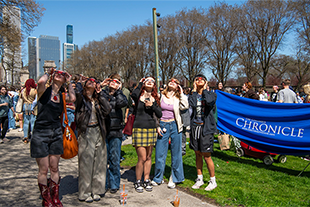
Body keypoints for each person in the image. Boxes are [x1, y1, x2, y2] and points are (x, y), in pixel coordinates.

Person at [30, 69, 75, 207]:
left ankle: (55, 197)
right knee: (43, 169)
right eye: (57, 73)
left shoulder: (62, 95)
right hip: (41, 132)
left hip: (56, 132)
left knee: (54, 168)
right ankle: (46, 199)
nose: (59, 74)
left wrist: (70, 82)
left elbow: (72, 98)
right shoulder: (44, 91)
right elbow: (40, 81)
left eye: (62, 74)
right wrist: (48, 73)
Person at [75, 77, 111, 202]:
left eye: (93, 81)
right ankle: (85, 192)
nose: (91, 81)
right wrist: (80, 83)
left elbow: (108, 109)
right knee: (86, 162)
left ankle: (97, 190)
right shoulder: (81, 98)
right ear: (84, 85)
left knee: (100, 162)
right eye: (88, 81)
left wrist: (100, 93)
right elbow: (76, 95)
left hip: (99, 130)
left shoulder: (98, 98)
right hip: (86, 131)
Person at [152, 78, 189, 189]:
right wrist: (157, 126)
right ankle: (158, 177)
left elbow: (185, 106)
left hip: (175, 125)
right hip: (162, 125)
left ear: (178, 86)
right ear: (167, 84)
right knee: (160, 152)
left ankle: (175, 178)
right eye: (171, 81)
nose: (172, 83)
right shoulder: (161, 95)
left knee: (176, 153)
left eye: (175, 82)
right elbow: (155, 111)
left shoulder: (178, 97)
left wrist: (182, 94)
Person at [131, 76, 162, 193]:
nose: (150, 82)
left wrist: (153, 105)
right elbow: (133, 94)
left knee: (148, 157)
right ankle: (138, 180)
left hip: (150, 129)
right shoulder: (139, 95)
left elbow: (160, 114)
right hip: (139, 128)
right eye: (147, 80)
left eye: (152, 81)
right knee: (142, 158)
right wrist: (139, 84)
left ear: (154, 85)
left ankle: (146, 179)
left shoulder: (156, 97)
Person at [189, 74, 218, 191]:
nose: (199, 80)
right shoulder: (193, 95)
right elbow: (192, 104)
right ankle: (199, 178)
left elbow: (210, 102)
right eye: (197, 79)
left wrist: (205, 90)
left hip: (206, 129)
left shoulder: (212, 94)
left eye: (202, 79)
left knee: (207, 156)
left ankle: (212, 180)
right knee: (197, 153)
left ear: (206, 82)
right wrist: (195, 91)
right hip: (195, 127)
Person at [101, 74, 128, 194]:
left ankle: (114, 183)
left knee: (115, 158)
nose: (114, 83)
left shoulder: (120, 95)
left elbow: (122, 103)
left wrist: (118, 91)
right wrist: (101, 86)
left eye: (117, 82)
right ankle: (104, 183)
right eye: (112, 81)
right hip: (103, 129)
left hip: (116, 130)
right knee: (103, 159)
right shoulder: (102, 93)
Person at [21, 79, 37, 143]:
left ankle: (25, 137)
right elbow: (36, 99)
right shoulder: (34, 91)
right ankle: (33, 136)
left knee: (26, 122)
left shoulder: (23, 90)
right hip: (32, 106)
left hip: (25, 106)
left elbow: (21, 98)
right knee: (33, 122)